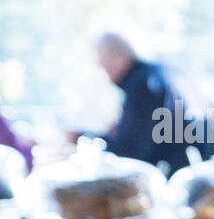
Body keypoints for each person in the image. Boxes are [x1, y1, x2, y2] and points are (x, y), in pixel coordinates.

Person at [77, 33, 188, 171]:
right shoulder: (161, 72)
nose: (102, 69)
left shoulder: (142, 85)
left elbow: (132, 151)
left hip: (171, 177)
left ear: (119, 56)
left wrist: (83, 137)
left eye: (102, 62)